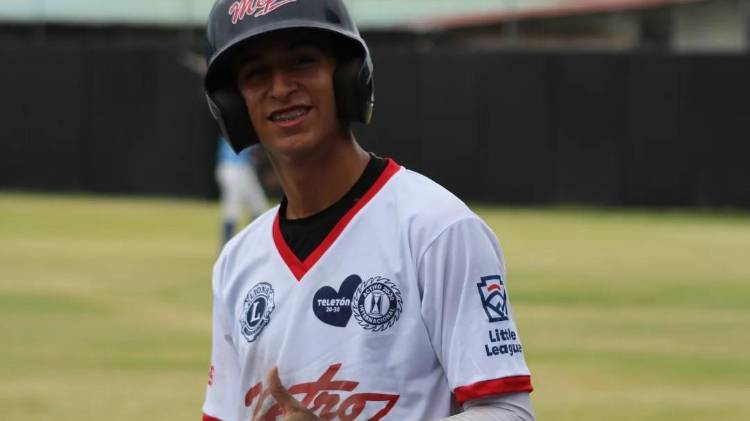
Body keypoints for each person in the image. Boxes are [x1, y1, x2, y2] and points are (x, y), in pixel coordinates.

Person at [201, 1, 535, 420]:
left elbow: (508, 412)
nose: (281, 87)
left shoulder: (436, 229)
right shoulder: (236, 263)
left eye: (302, 62)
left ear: (347, 77)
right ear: (233, 104)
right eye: (257, 73)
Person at [216, 135, 269, 246]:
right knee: (233, 209)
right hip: (233, 168)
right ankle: (226, 246)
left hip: (243, 168)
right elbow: (254, 150)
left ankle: (252, 244)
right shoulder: (240, 129)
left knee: (259, 207)